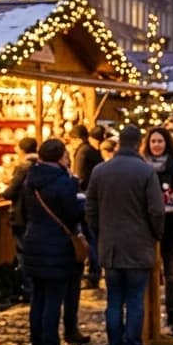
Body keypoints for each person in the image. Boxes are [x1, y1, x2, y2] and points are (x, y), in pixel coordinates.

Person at [86, 126, 165, 345]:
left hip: (110, 246)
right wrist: (156, 234)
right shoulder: (146, 172)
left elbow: (90, 209)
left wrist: (100, 232)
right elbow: (156, 210)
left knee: (113, 302)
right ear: (139, 143)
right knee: (134, 302)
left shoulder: (100, 171)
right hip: (138, 245)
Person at [21, 139, 85, 345]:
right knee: (53, 298)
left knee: (38, 297)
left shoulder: (31, 179)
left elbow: (23, 211)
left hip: (33, 241)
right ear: (61, 157)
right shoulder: (64, 182)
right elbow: (71, 213)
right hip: (56, 245)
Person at [143, 127, 173, 334]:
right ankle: (149, 320)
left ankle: (172, 317)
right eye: (153, 141)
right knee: (149, 274)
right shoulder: (143, 166)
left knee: (170, 274)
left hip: (171, 226)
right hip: (148, 227)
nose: (157, 145)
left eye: (160, 141)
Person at [3, 137, 39, 298]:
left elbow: (10, 192)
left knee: (23, 252)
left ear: (22, 150)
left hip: (21, 216)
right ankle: (35, 286)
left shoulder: (22, 167)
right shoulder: (41, 166)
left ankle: (28, 288)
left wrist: (4, 192)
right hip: (34, 216)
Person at [72, 124, 105, 289]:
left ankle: (93, 273)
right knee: (93, 237)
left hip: (86, 198)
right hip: (93, 198)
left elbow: (79, 176)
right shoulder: (92, 151)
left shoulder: (83, 152)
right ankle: (95, 271)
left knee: (90, 236)